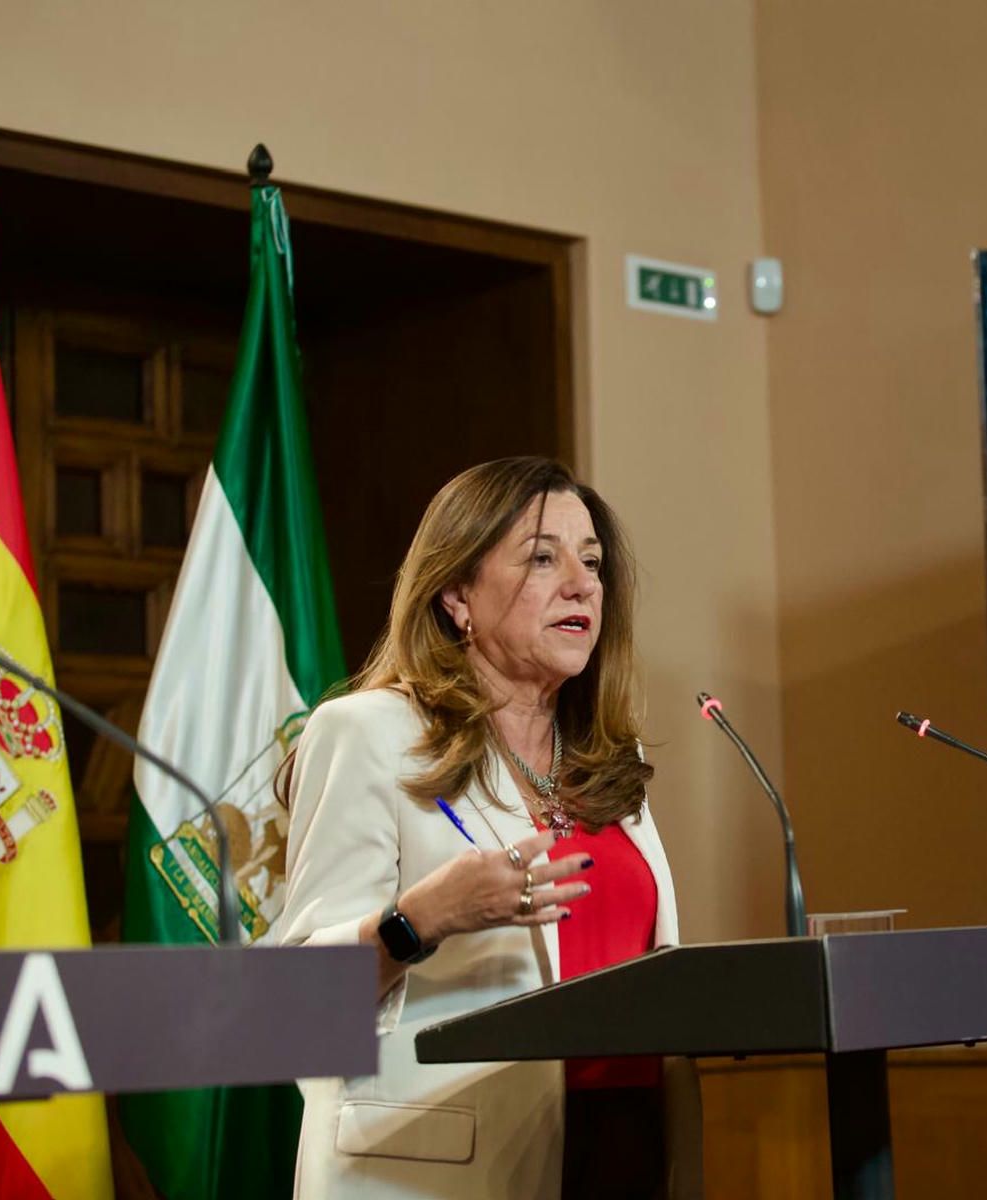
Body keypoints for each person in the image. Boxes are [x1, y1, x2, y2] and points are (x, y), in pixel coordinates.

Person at [277, 457, 691, 1199]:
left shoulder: (609, 761)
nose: (582, 584)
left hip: (626, 1149)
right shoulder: (366, 734)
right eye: (543, 558)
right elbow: (295, 1008)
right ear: (457, 595)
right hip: (441, 1172)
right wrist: (421, 919)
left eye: (592, 561)